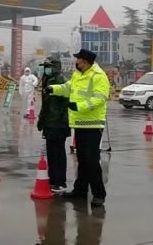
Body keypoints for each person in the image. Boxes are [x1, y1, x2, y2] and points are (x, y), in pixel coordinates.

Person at [45, 49, 110, 207]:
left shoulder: (98, 76)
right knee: (82, 160)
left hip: (93, 124)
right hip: (80, 123)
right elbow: (68, 88)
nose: (76, 63)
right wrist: (54, 89)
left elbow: (100, 98)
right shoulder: (78, 74)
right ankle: (80, 191)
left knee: (92, 161)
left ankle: (99, 194)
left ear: (85, 62)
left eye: (78, 60)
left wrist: (79, 106)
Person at [36, 57, 71, 193]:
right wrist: (42, 120)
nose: (46, 69)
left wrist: (61, 122)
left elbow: (65, 104)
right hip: (50, 122)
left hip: (58, 123)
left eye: (48, 67)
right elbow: (46, 105)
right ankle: (52, 179)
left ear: (55, 67)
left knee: (58, 153)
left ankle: (60, 182)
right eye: (45, 67)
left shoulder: (60, 80)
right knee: (51, 152)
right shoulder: (47, 80)